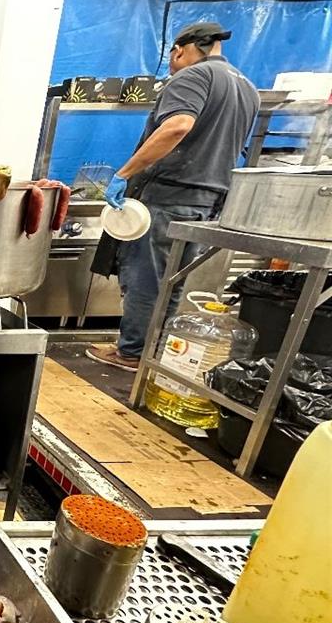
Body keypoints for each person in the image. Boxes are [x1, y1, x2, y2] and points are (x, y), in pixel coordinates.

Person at [88, 21, 259, 372]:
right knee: (173, 280)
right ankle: (154, 350)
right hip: (210, 198)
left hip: (170, 193)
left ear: (180, 50)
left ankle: (132, 352)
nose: (171, 64)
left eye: (171, 57)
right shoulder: (248, 88)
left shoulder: (192, 77)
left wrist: (124, 173)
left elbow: (178, 125)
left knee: (145, 278)